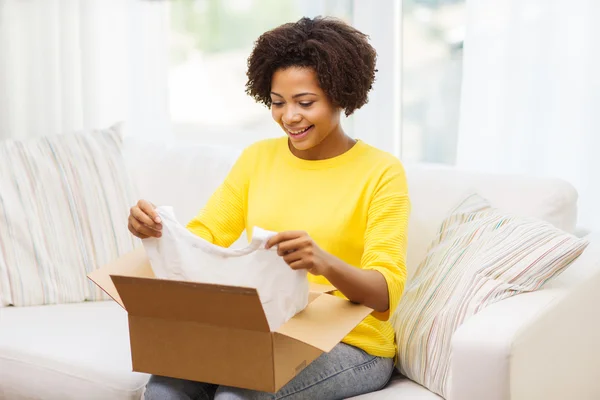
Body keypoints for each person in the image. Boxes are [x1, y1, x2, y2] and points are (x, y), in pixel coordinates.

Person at [129, 16, 410, 400]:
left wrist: (322, 262)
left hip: (352, 344)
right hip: (264, 332)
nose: (289, 117)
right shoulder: (257, 158)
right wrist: (159, 230)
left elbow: (384, 294)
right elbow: (206, 234)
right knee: (164, 389)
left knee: (236, 396)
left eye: (305, 102)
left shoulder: (381, 172)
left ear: (341, 95)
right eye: (278, 103)